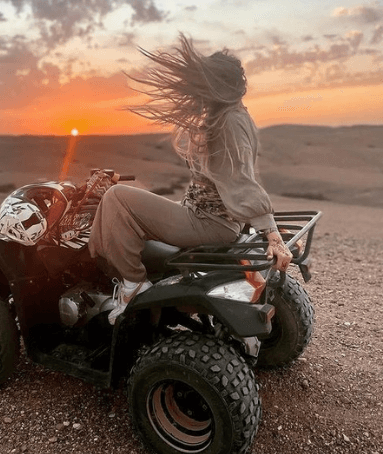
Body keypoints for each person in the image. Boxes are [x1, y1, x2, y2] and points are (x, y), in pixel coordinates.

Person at [88, 33, 292, 324]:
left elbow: (241, 179)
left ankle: (133, 285)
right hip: (206, 215)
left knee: (116, 196)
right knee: (126, 203)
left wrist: (271, 233)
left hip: (209, 223)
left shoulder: (229, 124)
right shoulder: (235, 114)